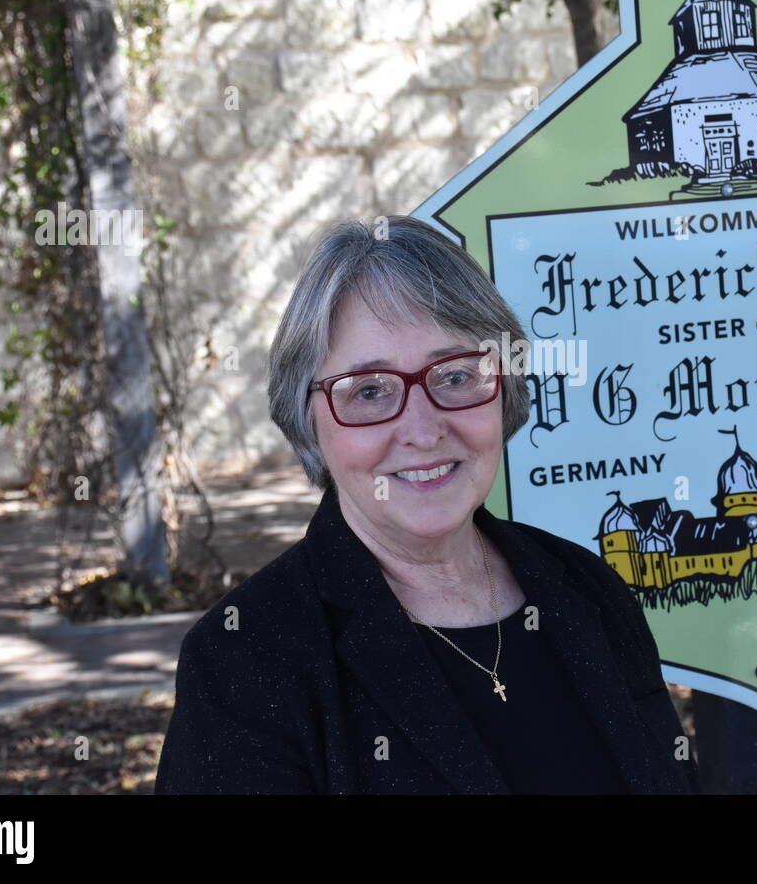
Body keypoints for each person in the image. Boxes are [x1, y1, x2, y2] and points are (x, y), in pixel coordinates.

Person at [154, 215, 699, 794]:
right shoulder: (244, 659)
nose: (422, 428)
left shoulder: (588, 589)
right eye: (369, 391)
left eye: (456, 375)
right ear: (308, 420)